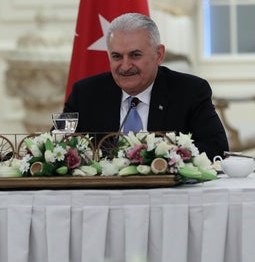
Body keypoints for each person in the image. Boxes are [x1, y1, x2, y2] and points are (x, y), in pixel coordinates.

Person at [64, 12, 229, 159]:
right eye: (117, 56)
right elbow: (56, 144)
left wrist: (160, 160)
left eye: (135, 55)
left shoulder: (190, 91)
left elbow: (216, 148)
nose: (125, 66)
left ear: (159, 55)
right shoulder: (84, 93)